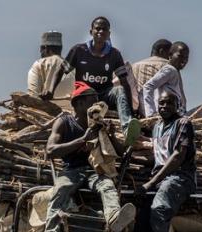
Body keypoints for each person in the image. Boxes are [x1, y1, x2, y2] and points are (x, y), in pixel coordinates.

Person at [37, 81, 137, 232]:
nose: (97, 105)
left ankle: (114, 217)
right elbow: (51, 150)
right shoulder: (64, 122)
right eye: (92, 101)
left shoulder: (100, 124)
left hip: (95, 171)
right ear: (78, 104)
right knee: (60, 191)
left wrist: (111, 134)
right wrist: (82, 140)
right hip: (71, 170)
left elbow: (120, 154)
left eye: (98, 101)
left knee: (107, 186)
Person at [136, 91, 196, 232]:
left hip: (180, 177)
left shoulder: (183, 124)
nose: (164, 106)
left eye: (169, 103)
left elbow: (178, 156)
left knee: (159, 209)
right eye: (161, 103)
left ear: (177, 104)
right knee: (140, 228)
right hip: (160, 180)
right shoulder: (157, 127)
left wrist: (151, 182)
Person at [58, 16, 140, 145]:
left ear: (109, 34)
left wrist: (131, 109)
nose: (100, 32)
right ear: (91, 32)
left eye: (104, 29)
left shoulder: (114, 54)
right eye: (97, 29)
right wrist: (49, 91)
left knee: (118, 89)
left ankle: (127, 127)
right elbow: (61, 71)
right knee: (87, 93)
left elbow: (125, 82)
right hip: (85, 96)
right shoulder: (78, 50)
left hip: (103, 95)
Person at [142, 42, 189, 118]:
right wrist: (151, 113)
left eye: (186, 57)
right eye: (180, 56)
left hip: (180, 115)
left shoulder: (175, 72)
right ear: (170, 56)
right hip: (170, 115)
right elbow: (148, 86)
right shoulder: (170, 69)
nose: (184, 60)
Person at [131, 39, 171, 115]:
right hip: (163, 111)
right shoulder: (169, 66)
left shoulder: (135, 66)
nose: (170, 58)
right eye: (170, 54)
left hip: (140, 111)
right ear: (162, 51)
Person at [27, 31, 66, 99]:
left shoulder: (39, 64)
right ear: (61, 48)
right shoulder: (72, 65)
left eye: (41, 49)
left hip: (50, 108)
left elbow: (33, 95)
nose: (40, 52)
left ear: (46, 48)